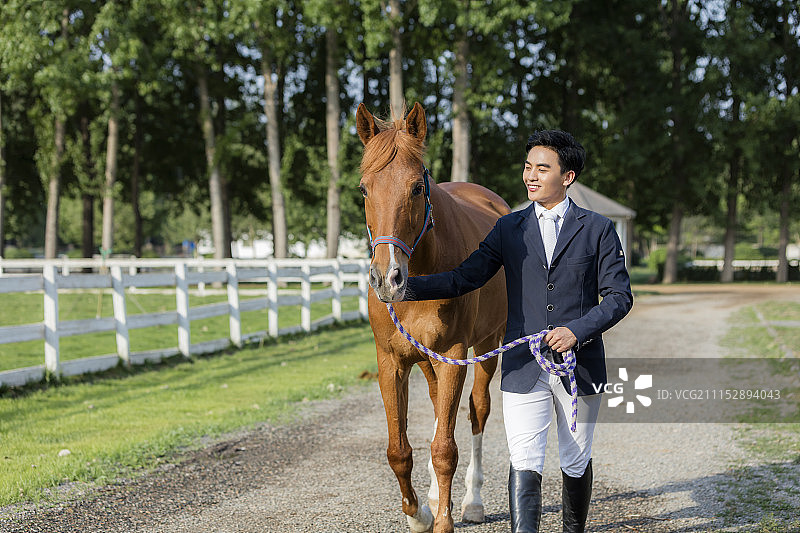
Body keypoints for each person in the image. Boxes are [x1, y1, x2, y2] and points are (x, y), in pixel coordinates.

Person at [403, 130, 633, 533]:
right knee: (524, 459)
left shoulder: (598, 229)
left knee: (575, 459)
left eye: (542, 168)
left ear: (568, 177)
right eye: (528, 167)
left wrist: (577, 331)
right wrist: (405, 287)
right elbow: (464, 277)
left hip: (580, 367)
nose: (531, 176)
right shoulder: (508, 228)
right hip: (523, 366)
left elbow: (618, 297)